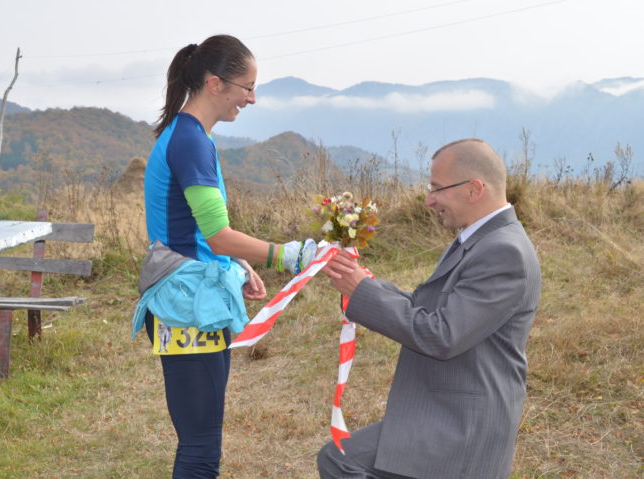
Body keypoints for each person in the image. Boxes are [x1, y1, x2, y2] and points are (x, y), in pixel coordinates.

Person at [139, 34, 316, 478]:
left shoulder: (188, 135)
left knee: (201, 440)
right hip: (186, 305)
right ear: (216, 84)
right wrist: (286, 255)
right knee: (200, 448)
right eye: (247, 87)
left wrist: (235, 265)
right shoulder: (191, 142)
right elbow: (217, 234)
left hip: (191, 296)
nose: (252, 98)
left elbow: (193, 232)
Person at [318, 138, 542, 479]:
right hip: (447, 409)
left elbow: (442, 335)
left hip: (463, 424)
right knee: (339, 457)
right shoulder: (479, 239)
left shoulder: (503, 251)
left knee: (341, 460)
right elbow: (430, 308)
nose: (428, 200)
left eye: (437, 188)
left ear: (474, 189)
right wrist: (361, 287)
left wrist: (362, 292)